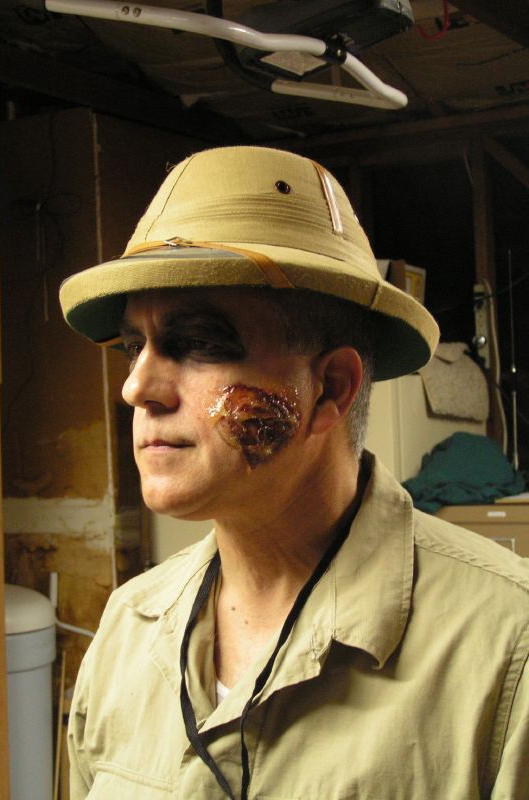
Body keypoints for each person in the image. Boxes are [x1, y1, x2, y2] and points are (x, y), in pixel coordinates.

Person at [59, 146, 529, 799]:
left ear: (330, 389)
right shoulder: (128, 628)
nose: (136, 387)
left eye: (198, 343)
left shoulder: (507, 651)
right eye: (134, 347)